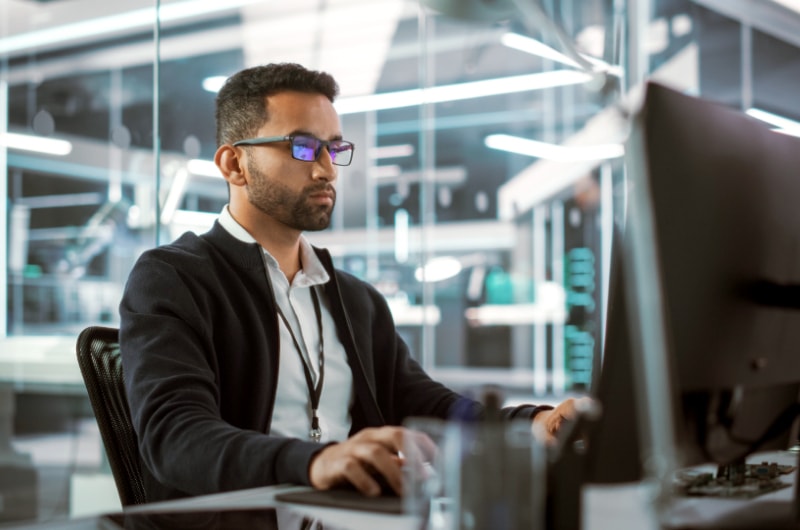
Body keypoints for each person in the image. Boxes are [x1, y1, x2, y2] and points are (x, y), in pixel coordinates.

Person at [119, 62, 584, 503]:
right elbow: (176, 437)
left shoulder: (355, 300)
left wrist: (531, 423)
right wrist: (316, 463)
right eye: (302, 147)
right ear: (234, 165)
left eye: (334, 148)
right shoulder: (174, 279)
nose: (326, 169)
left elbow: (424, 405)